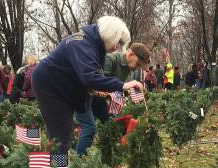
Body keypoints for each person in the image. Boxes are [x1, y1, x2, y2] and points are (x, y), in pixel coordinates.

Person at [32, 16, 143, 154]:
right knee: (62, 135)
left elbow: (91, 77)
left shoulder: (94, 45)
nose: (118, 47)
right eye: (119, 42)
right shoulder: (83, 45)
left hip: (68, 89)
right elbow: (90, 77)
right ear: (111, 34)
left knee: (68, 132)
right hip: (51, 87)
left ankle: (62, 167)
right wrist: (123, 85)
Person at [74, 43, 151, 156]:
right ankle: (78, 166)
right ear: (130, 54)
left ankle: (110, 160)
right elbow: (99, 82)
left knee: (112, 124)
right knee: (88, 128)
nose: (137, 68)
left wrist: (127, 90)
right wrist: (123, 86)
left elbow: (116, 88)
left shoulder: (128, 68)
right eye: (138, 64)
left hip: (98, 99)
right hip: (82, 94)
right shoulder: (110, 59)